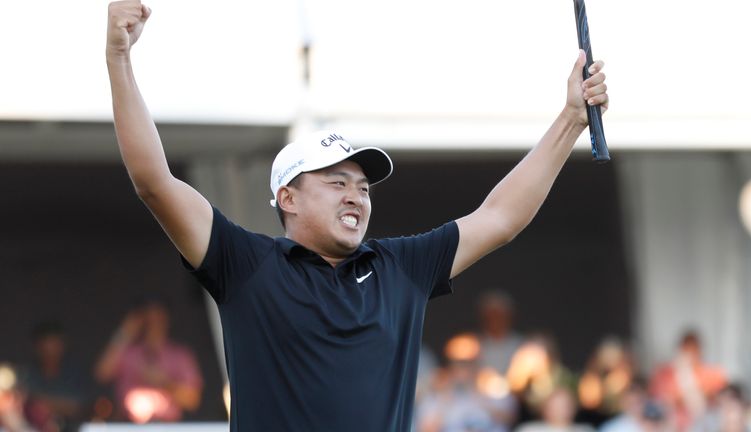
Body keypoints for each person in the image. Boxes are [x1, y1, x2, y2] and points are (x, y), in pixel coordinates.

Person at [104, 1, 609, 430]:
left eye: (363, 187)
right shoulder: (245, 264)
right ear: (288, 198)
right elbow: (154, 182)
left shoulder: (400, 267)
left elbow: (500, 217)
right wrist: (119, 57)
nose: (356, 197)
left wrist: (569, 118)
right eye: (336, 182)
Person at [94, 299, 203, 423]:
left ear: (166, 320)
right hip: (128, 425)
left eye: (157, 318)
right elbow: (102, 373)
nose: (152, 323)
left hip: (166, 426)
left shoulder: (180, 355)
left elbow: (193, 400)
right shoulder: (128, 352)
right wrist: (125, 332)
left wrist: (165, 383)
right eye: (147, 318)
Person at [649, 330, 727, 431]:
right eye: (686, 349)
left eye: (693, 349)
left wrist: (685, 374)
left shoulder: (712, 375)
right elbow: (658, 406)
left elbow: (702, 410)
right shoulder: (664, 374)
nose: (690, 353)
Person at [22, 321, 86, 432]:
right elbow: (22, 405)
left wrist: (39, 402)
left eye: (55, 344)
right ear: (37, 347)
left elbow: (78, 407)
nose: (51, 350)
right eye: (46, 344)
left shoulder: (74, 375)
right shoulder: (27, 375)